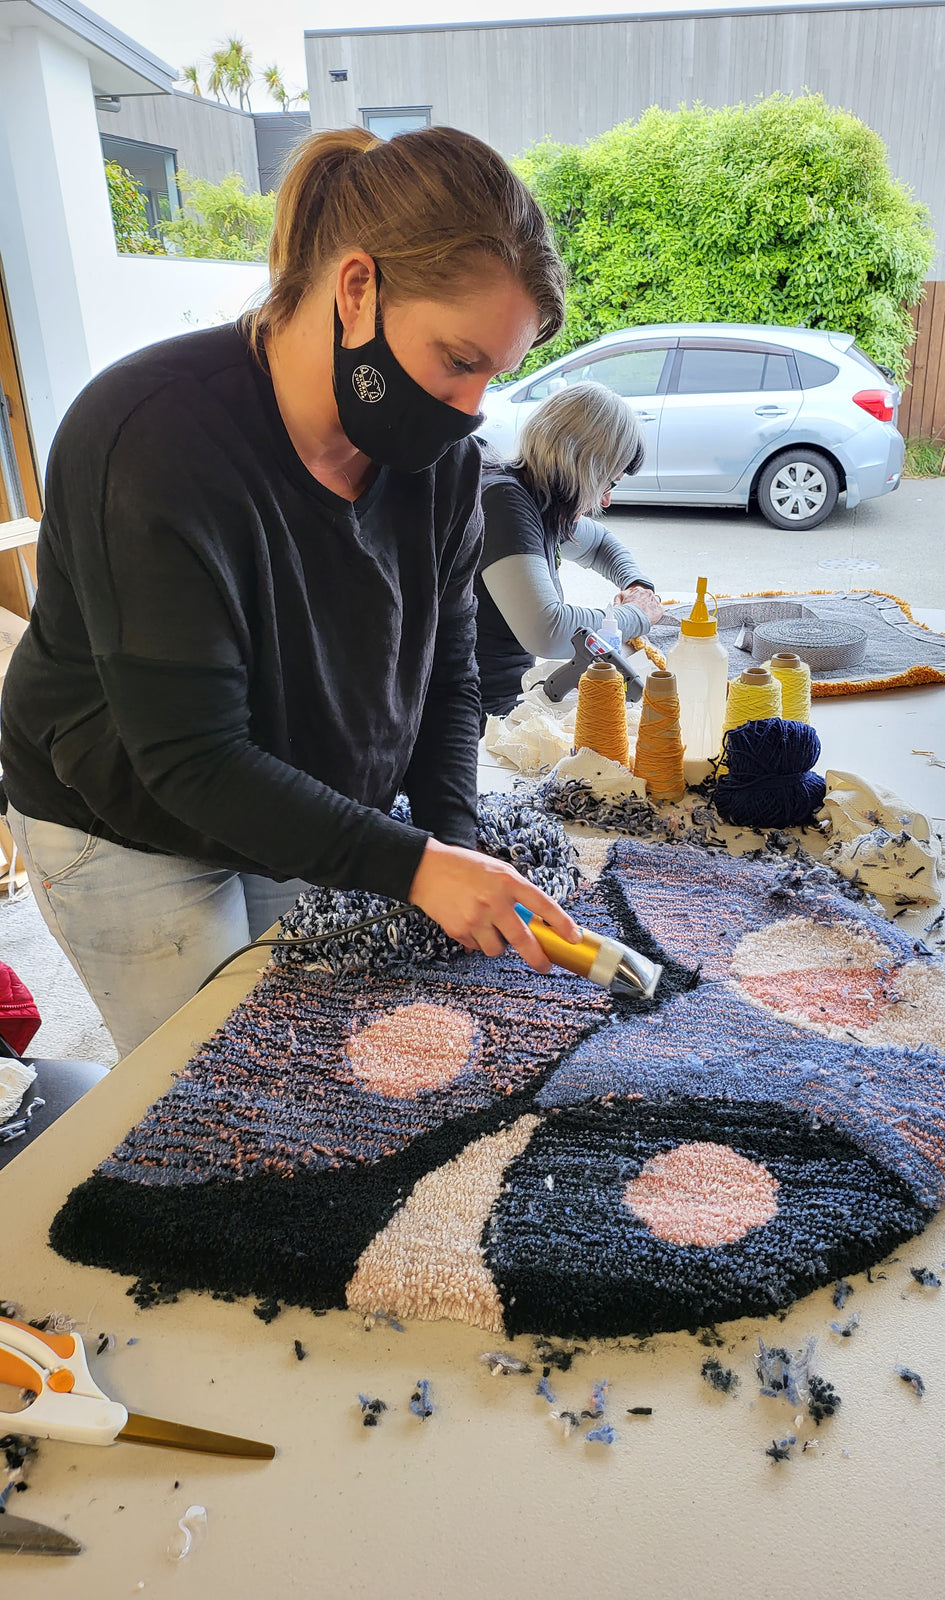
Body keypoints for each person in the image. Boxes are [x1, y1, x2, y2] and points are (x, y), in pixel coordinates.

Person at [0, 125, 580, 1058]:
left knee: (315, 1050)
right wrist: (419, 868)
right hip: (123, 819)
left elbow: (449, 678)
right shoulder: (151, 440)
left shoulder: (435, 460)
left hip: (293, 790)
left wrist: (450, 845)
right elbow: (190, 759)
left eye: (492, 378)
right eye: (457, 359)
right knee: (216, 1085)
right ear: (358, 289)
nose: (470, 407)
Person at [475, 382, 664, 721]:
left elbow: (601, 544)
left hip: (499, 693)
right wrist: (636, 616)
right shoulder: (506, 503)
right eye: (609, 482)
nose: (606, 499)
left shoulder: (537, 498)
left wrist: (637, 585)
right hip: (481, 710)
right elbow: (548, 630)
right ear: (583, 465)